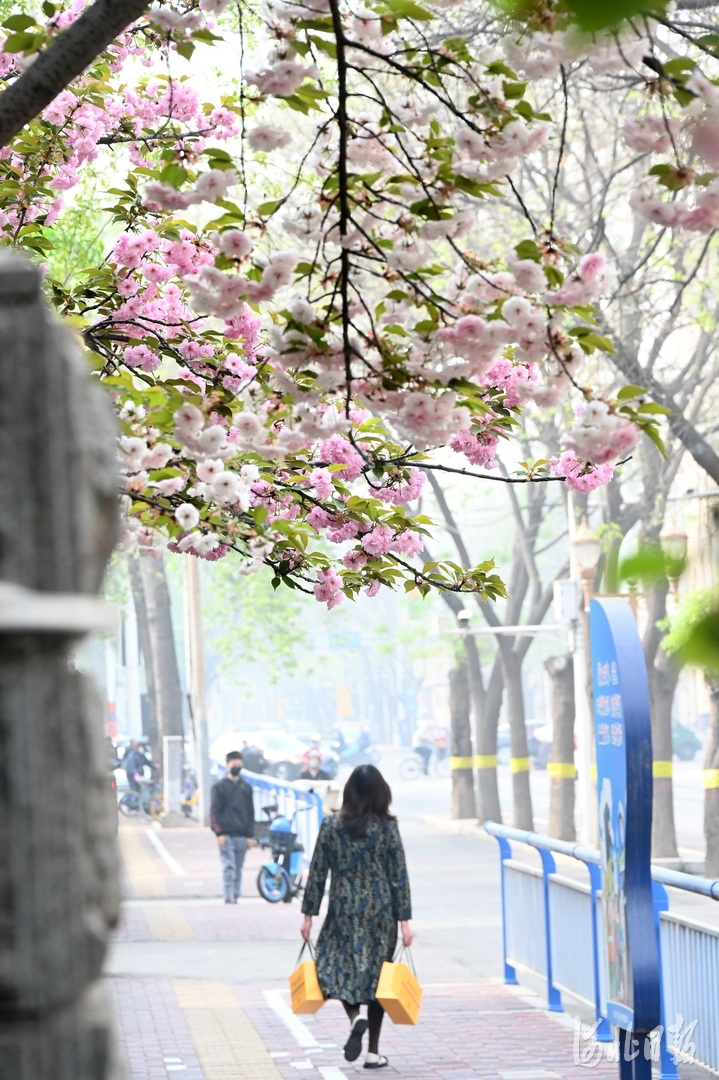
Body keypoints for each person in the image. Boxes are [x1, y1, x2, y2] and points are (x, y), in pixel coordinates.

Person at [300, 764, 413, 1071]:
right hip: (381, 913)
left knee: (332, 968)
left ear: (349, 791)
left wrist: (309, 915)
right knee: (379, 979)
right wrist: (404, 921)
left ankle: (354, 1018)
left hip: (343, 910)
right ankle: (373, 1053)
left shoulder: (332, 824)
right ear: (381, 793)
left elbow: (318, 872)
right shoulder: (388, 827)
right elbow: (398, 876)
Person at [210, 750, 255, 904]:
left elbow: (250, 812)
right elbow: (214, 812)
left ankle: (236, 895)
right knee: (229, 867)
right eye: (233, 764)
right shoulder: (219, 787)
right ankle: (228, 896)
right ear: (227, 765)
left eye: (239, 765)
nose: (236, 767)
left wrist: (250, 835)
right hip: (226, 833)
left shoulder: (246, 787)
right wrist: (219, 833)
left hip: (242, 834)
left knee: (238, 867)